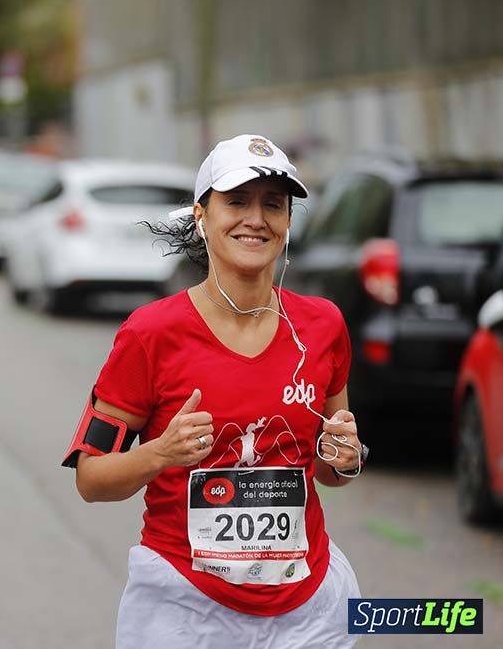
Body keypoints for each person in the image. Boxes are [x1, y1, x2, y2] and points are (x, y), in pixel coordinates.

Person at [62, 134, 368, 648]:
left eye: (273, 204)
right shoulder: (149, 334)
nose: (256, 218)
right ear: (201, 216)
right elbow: (92, 479)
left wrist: (345, 457)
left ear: (289, 221)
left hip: (306, 605)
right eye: (236, 202)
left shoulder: (323, 326)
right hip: (185, 606)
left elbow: (330, 470)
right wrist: (160, 452)